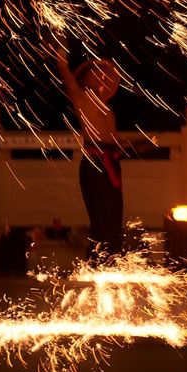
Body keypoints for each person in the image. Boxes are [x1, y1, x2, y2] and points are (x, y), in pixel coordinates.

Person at [55, 45, 123, 261]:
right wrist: (60, 48)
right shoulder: (81, 98)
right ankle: (96, 262)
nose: (100, 76)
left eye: (102, 74)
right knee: (100, 215)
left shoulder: (109, 110)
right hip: (94, 162)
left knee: (114, 214)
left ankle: (112, 260)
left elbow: (114, 142)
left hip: (111, 164)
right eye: (95, 73)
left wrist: (139, 146)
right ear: (84, 80)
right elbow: (64, 70)